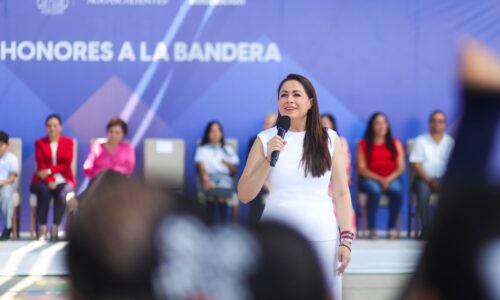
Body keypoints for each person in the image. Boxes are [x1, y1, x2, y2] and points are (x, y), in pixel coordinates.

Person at [238, 74, 354, 299]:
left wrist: (346, 240)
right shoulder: (265, 139)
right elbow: (244, 194)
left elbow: (341, 193)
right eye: (284, 95)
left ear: (310, 102)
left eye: (296, 94)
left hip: (321, 232)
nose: (289, 100)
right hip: (276, 236)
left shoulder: (330, 139)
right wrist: (267, 158)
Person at [356, 112, 405, 240]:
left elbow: (401, 168)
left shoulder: (395, 143)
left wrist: (387, 179)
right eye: (378, 123)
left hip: (391, 178)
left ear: (387, 125)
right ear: (372, 126)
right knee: (374, 190)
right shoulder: (363, 144)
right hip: (369, 179)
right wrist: (380, 179)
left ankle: (391, 227)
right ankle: (372, 229)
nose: (381, 125)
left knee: (397, 190)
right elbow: (362, 169)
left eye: (384, 122)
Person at [409, 110, 454, 239]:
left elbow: (453, 165)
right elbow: (416, 164)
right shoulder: (420, 140)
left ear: (445, 124)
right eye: (434, 120)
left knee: (456, 191)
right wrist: (429, 180)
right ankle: (427, 229)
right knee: (422, 192)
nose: (437, 124)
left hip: (445, 179)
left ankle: (446, 232)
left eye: (440, 121)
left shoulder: (450, 142)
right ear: (429, 123)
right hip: (424, 179)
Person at [31, 114, 75, 241]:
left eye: (55, 125)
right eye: (49, 126)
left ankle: (55, 227)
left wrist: (50, 171)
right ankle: (43, 229)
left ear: (61, 127)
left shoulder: (68, 142)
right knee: (44, 191)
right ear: (46, 128)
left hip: (63, 178)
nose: (52, 128)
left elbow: (66, 163)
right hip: (41, 180)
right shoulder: (40, 143)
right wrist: (50, 180)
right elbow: (40, 164)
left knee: (63, 193)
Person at [195, 121, 239, 224]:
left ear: (221, 133)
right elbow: (201, 168)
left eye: (218, 130)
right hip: (209, 179)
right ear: (208, 133)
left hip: (225, 180)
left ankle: (223, 226)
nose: (215, 133)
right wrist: (206, 181)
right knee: (211, 194)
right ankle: (210, 226)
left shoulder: (228, 149)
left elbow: (234, 171)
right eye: (212, 130)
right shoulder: (202, 149)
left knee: (221, 195)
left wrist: (227, 163)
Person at [247, 113, 277, 225]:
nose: (268, 126)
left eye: (272, 123)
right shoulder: (255, 141)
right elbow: (251, 168)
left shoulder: (285, 141)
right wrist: (265, 183)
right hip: (260, 182)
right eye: (266, 123)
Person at [321, 113, 352, 185]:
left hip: (339, 176)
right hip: (321, 177)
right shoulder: (314, 142)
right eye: (319, 123)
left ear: (332, 125)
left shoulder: (341, 141)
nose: (321, 125)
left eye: (324, 123)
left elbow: (345, 161)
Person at [0, 131, 18, 241]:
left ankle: (8, 226)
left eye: (1, 145)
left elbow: (13, 177)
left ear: (7, 145)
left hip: (7, 185)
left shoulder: (12, 158)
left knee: (6, 195)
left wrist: (2, 183)